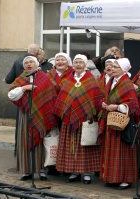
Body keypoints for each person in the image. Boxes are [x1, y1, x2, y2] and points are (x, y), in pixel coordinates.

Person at [53, 54, 103, 184]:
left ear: (85, 65)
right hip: (69, 120)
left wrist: (90, 112)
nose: (78, 64)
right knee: (71, 146)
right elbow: (63, 98)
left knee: (85, 146)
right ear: (73, 65)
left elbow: (95, 99)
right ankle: (74, 172)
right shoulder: (68, 80)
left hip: (85, 119)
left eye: (81, 62)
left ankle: (86, 173)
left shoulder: (91, 80)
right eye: (76, 62)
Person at [8, 56, 57, 181]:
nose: (29, 64)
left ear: (36, 64)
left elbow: (50, 96)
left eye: (31, 62)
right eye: (26, 63)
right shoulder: (20, 79)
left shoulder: (44, 78)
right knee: (25, 141)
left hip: (41, 113)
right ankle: (27, 171)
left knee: (40, 142)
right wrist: (24, 88)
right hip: (25, 115)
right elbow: (11, 95)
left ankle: (41, 170)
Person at [98, 58, 140, 190]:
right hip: (111, 120)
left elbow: (133, 105)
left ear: (124, 69)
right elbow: (108, 97)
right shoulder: (111, 81)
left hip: (122, 123)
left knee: (123, 152)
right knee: (111, 151)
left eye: (116, 66)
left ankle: (125, 179)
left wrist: (116, 107)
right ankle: (112, 178)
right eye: (113, 66)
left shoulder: (126, 83)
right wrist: (105, 104)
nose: (113, 68)